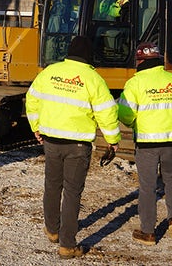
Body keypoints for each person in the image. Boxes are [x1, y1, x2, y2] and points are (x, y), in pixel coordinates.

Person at [25, 35, 121, 259]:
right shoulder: (93, 78)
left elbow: (32, 100)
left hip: (51, 141)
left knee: (52, 185)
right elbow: (107, 112)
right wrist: (112, 140)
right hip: (78, 145)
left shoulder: (49, 73)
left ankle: (52, 230)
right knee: (72, 193)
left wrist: (35, 127)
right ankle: (68, 245)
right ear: (89, 55)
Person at [117, 43, 172, 246]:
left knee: (148, 186)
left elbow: (126, 113)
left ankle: (148, 232)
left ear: (140, 61)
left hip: (147, 143)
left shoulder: (135, 83)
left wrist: (132, 122)